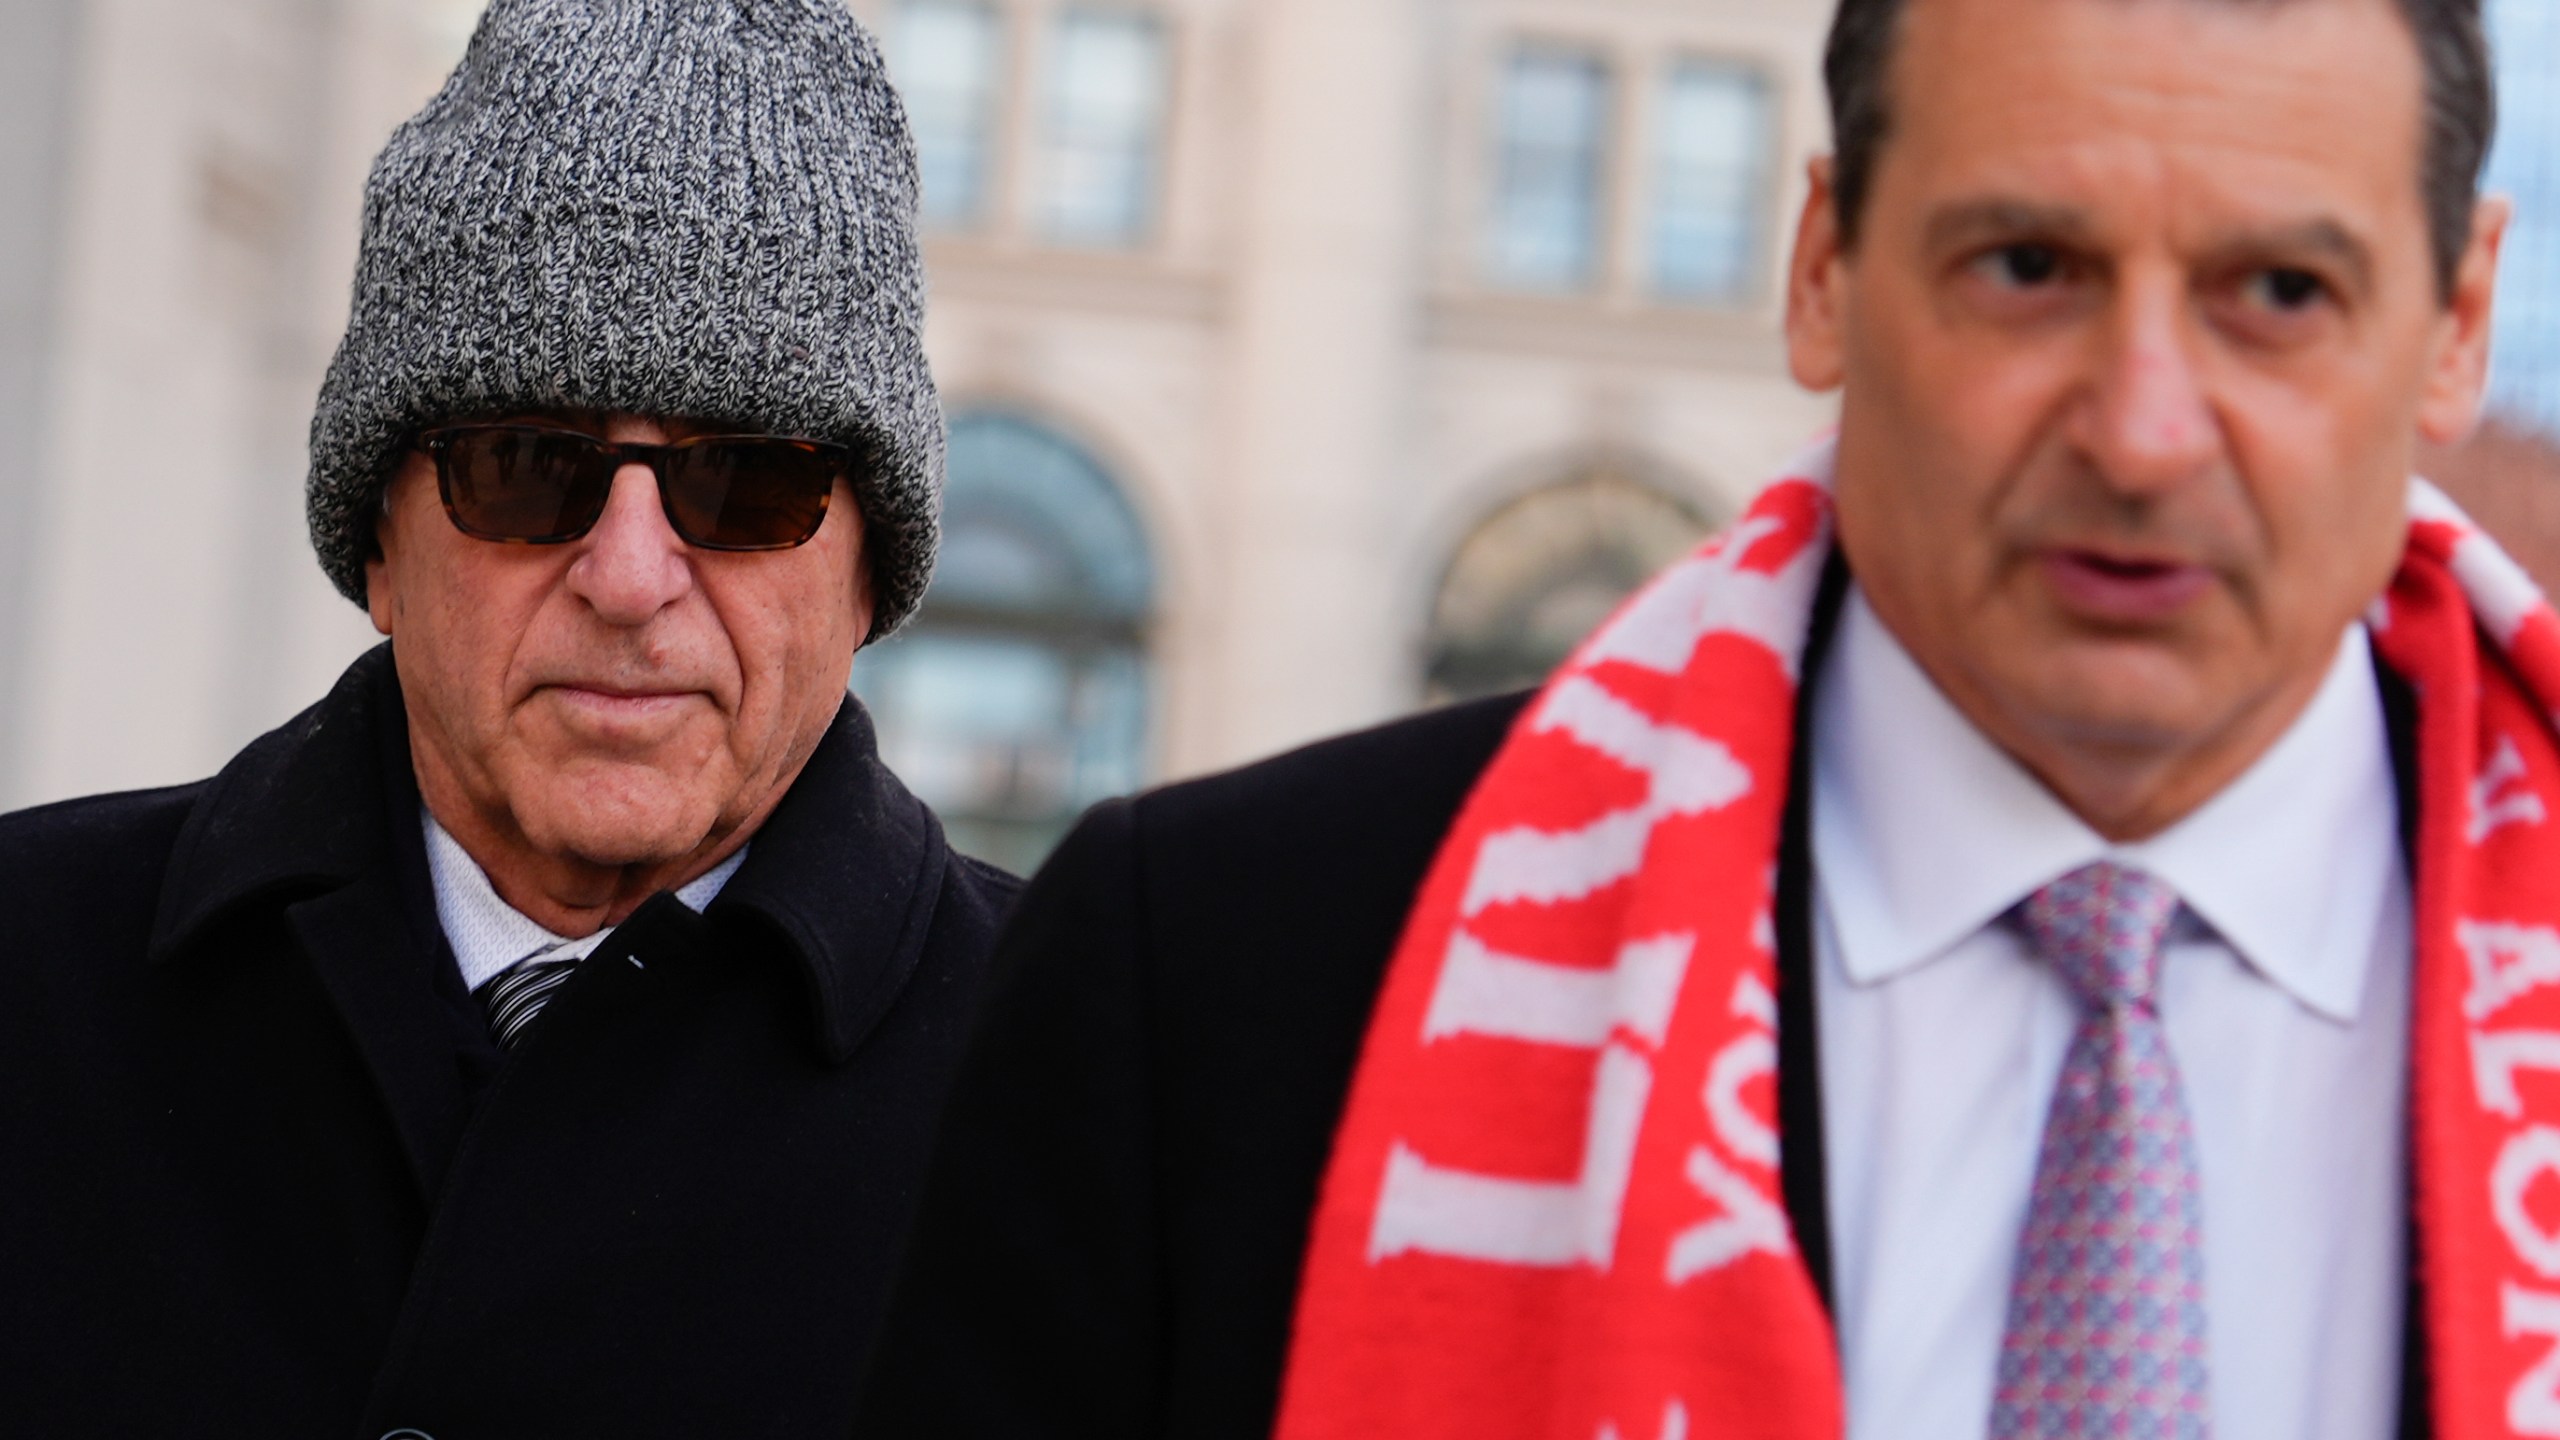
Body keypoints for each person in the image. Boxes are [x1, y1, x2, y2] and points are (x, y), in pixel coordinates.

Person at [856, 0, 2546, 1435]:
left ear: (2458, 319)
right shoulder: (1218, 971)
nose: (2145, 429)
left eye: (2279, 294)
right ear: (1822, 268)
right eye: (2028, 265)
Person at [0, 2, 1014, 1435]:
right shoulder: (28, 974)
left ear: (867, 575)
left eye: (746, 485)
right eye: (529, 467)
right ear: (378, 547)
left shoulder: (1088, 1097)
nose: (629, 576)